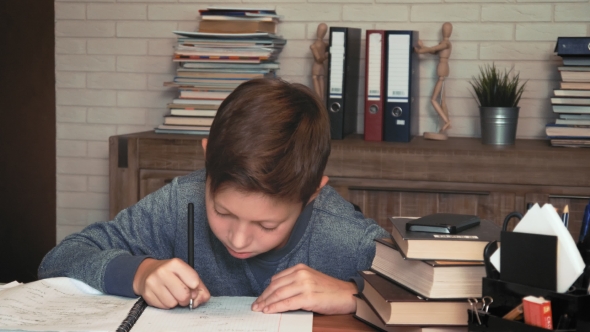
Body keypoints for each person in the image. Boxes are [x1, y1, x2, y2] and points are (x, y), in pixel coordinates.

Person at [38, 78, 389, 315]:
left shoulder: (341, 232)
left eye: (267, 225)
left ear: (312, 194)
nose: (238, 239)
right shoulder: (181, 202)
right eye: (222, 212)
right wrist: (139, 272)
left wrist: (356, 295)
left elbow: (435, 290)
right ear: (207, 160)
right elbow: (59, 258)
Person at [414, 22, 453, 140]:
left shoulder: (446, 43)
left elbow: (435, 48)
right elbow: (433, 51)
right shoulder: (443, 43)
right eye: (444, 29)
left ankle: (447, 121)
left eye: (447, 29)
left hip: (442, 69)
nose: (445, 31)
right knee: (443, 101)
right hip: (443, 69)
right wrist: (422, 47)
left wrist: (421, 51)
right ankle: (445, 126)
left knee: (433, 99)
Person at [310, 23, 329, 101]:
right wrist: (326, 56)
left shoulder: (318, 45)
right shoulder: (316, 45)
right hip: (320, 67)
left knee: (321, 96)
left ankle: (321, 107)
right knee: (319, 97)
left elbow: (318, 59)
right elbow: (319, 59)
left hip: (319, 68)